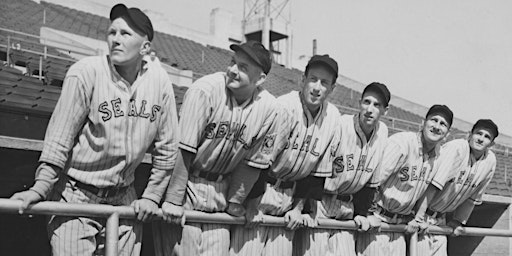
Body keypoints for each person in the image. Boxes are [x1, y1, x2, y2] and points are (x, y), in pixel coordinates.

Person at [10, 3, 179, 255]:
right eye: (112, 33)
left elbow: (168, 149)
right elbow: (59, 138)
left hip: (125, 197)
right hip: (77, 193)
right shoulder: (86, 72)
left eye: (125, 34)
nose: (116, 40)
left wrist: (152, 196)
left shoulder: (159, 81)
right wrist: (41, 186)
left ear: (145, 47)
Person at [152, 41, 290, 256]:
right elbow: (184, 149)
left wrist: (236, 201)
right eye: (233, 62)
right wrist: (173, 199)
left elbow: (253, 163)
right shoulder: (205, 90)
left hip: (221, 191)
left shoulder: (269, 108)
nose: (233, 71)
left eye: (243, 67)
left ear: (260, 78)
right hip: (188, 185)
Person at [229, 54, 342, 256]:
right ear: (302, 80)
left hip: (289, 198)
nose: (316, 87)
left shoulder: (332, 117)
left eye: (324, 83)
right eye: (313, 79)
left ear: (332, 89)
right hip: (262, 191)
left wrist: (298, 208)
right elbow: (260, 159)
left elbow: (316, 172)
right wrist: (252, 204)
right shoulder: (284, 107)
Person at [294, 82, 390, 256]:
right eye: (366, 102)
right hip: (321, 202)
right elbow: (316, 164)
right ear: (359, 103)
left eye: (377, 105)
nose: (370, 109)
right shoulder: (341, 124)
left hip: (348, 207)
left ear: (385, 111)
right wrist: (307, 207)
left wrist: (362, 212)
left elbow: (372, 179)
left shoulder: (382, 132)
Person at [356, 104, 453, 256]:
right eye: (433, 120)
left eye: (443, 124)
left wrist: (418, 218)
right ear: (423, 122)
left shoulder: (439, 156)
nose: (436, 126)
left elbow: (428, 192)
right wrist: (367, 212)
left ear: (447, 133)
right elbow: (373, 178)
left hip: (400, 226)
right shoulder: (402, 142)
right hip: (378, 220)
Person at [414, 119, 498, 256]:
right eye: (479, 133)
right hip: (421, 213)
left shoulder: (490, 161)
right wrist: (418, 217)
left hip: (441, 220)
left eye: (487, 137)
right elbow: (433, 185)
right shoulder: (457, 148)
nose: (481, 139)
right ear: (470, 135)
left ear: (492, 144)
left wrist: (458, 220)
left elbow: (472, 198)